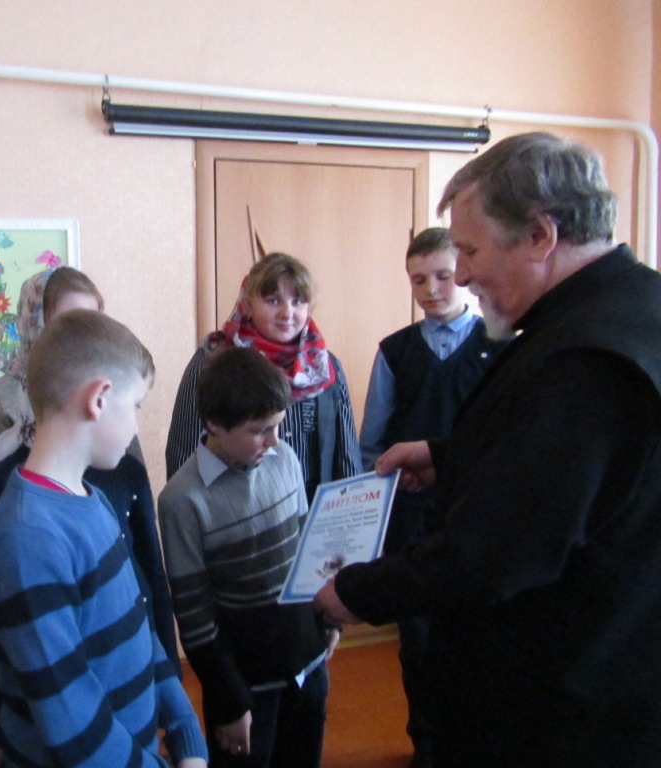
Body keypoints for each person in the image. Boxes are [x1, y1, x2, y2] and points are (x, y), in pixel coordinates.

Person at [313, 132, 661, 767]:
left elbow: (494, 552)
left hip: (568, 708)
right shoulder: (633, 309)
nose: (464, 274)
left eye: (470, 251)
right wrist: (449, 454)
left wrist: (359, 591)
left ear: (540, 235)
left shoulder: (585, 359)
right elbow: (573, 467)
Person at [0, 269, 178, 764]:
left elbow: (138, 622)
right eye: (137, 406)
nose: (137, 425)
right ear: (99, 398)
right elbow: (74, 727)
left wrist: (183, 725)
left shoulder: (94, 498)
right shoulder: (23, 538)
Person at [356, 226, 507, 767]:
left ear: (462, 273)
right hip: (413, 518)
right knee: (418, 639)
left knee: (479, 635)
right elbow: (372, 443)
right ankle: (425, 742)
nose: (432, 289)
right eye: (418, 279)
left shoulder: (501, 345)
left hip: (479, 514)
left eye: (443, 276)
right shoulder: (394, 352)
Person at [159, 346, 338, 767]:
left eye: (277, 425)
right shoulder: (181, 501)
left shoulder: (285, 459)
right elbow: (196, 619)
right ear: (214, 423)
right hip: (245, 689)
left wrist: (328, 618)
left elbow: (309, 554)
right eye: (259, 430)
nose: (273, 440)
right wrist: (229, 702)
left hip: (308, 667)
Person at [165, 252, 361, 502]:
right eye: (273, 300)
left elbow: (346, 456)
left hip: (312, 512)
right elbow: (184, 451)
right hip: (234, 510)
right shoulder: (213, 360)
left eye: (298, 301)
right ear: (248, 304)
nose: (287, 313)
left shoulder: (323, 367)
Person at [0, 266, 105, 504]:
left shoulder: (106, 392)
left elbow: (134, 485)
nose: (82, 335)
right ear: (34, 323)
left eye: (91, 322)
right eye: (68, 322)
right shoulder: (0, 397)